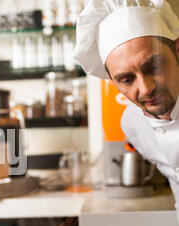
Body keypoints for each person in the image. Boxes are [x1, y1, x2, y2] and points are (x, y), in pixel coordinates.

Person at [74, 0, 179, 212]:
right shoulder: (133, 124)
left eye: (155, 66)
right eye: (127, 79)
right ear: (112, 81)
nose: (146, 88)